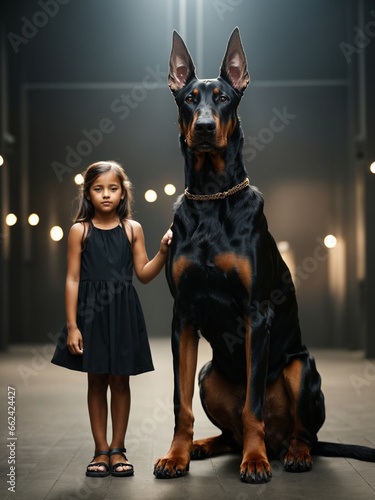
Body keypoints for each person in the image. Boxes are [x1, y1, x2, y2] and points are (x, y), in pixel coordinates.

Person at [51, 160, 172, 478]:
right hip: (90, 316)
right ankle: (100, 451)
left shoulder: (133, 229)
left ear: (122, 193)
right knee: (96, 382)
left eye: (113, 188)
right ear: (88, 194)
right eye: (98, 188)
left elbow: (144, 274)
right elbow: (73, 279)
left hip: (122, 313)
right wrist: (73, 326)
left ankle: (118, 449)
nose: (106, 194)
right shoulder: (80, 230)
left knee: (120, 382)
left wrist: (161, 251)